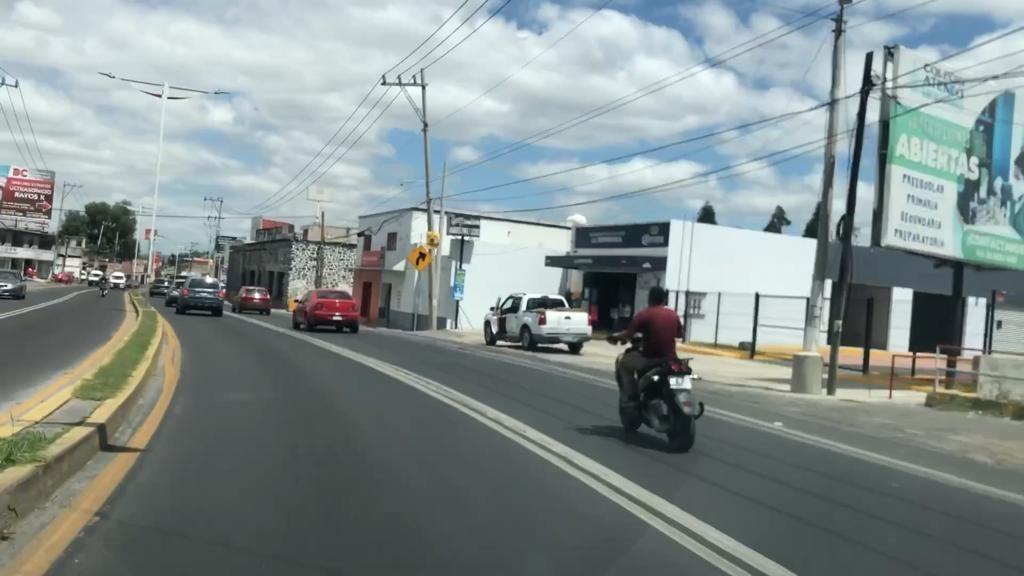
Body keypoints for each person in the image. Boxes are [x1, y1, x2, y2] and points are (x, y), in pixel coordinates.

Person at [609, 286, 682, 408]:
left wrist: (615, 337)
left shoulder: (644, 314)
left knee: (624, 364)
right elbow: (680, 334)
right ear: (664, 299)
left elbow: (628, 334)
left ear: (650, 299)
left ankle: (631, 396)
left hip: (650, 358)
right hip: (671, 359)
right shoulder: (673, 314)